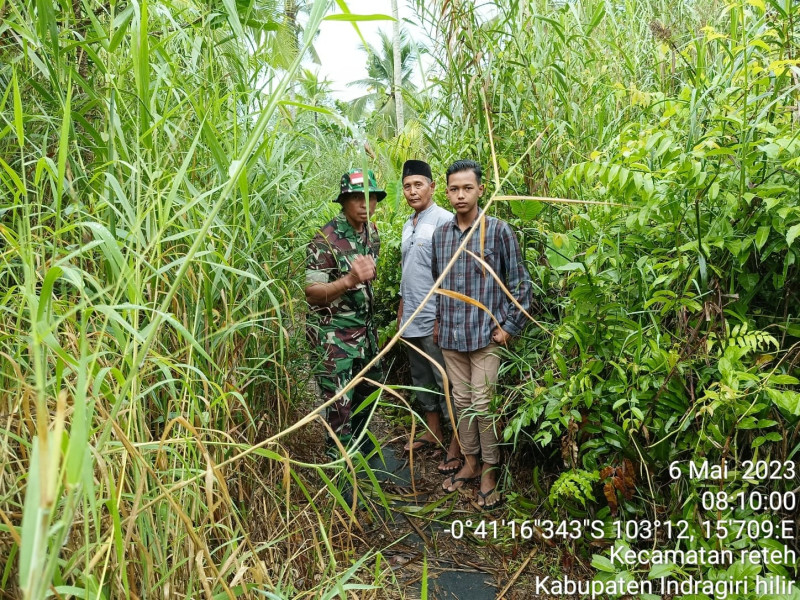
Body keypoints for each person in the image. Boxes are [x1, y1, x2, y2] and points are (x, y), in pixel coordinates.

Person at [431, 159, 533, 510]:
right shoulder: (442, 234)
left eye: (467, 188)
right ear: (446, 192)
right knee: (461, 403)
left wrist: (509, 327)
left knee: (484, 405)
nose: (460, 195)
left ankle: (490, 468)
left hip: (487, 337)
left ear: (480, 190)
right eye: (454, 189)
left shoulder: (498, 230)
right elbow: (438, 284)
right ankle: (471, 461)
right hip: (451, 337)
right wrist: (437, 321)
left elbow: (520, 283)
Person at [305, 169, 386, 454]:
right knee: (339, 406)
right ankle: (339, 472)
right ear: (343, 201)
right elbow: (312, 294)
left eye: (371, 197)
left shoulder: (372, 233)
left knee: (370, 388)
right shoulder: (325, 239)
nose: (365, 204)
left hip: (364, 332)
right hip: (334, 335)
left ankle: (359, 445)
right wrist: (349, 280)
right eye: (357, 198)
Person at [396, 159, 462, 476]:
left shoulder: (446, 221)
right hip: (411, 318)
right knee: (422, 380)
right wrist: (400, 316)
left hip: (436, 318)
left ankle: (458, 444)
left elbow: (453, 277)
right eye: (407, 186)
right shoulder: (409, 224)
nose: (412, 191)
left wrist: (442, 318)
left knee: (445, 381)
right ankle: (433, 431)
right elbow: (406, 275)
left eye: (418, 184)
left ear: (432, 187)